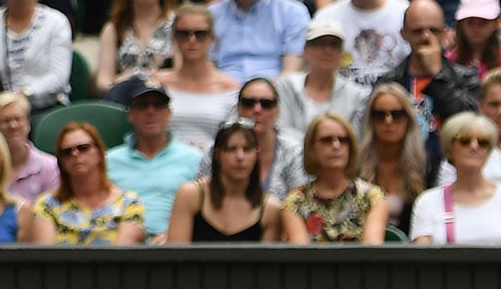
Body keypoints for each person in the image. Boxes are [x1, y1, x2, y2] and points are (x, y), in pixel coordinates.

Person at [24, 121, 146, 245]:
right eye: (66, 152)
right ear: (61, 162)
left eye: (83, 148)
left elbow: (123, 257)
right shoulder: (46, 206)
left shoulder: (129, 203)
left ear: (99, 152)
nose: (75, 154)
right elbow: (45, 258)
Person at [165, 120, 283, 243]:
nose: (240, 157)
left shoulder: (271, 208)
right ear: (217, 154)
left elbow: (268, 261)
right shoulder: (190, 195)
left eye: (247, 149)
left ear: (257, 154)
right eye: (231, 149)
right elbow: (176, 256)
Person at [105, 82, 201, 231]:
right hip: (120, 245)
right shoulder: (109, 160)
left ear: (169, 112)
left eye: (158, 104)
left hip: (175, 246)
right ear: (130, 114)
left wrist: (174, 236)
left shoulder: (194, 158)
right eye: (143, 105)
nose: (151, 111)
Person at [281, 111, 388, 243]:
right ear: (312, 148)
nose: (336, 146)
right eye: (327, 140)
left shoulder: (372, 197)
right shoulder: (296, 201)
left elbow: (371, 253)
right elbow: (302, 256)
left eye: (343, 140)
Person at [154, 3, 241, 152]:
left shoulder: (230, 88)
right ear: (174, 36)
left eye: (200, 34)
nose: (192, 40)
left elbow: (233, 139)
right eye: (184, 33)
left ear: (212, 38)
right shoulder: (157, 84)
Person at [95, 0, 178, 96]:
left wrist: (140, 76)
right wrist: (125, 83)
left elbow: (182, 74)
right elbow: (102, 82)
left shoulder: (178, 25)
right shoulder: (114, 28)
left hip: (168, 97)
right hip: (125, 99)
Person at [412, 111, 501, 244]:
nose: (474, 146)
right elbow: (422, 259)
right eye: (465, 141)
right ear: (450, 147)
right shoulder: (428, 202)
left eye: (482, 142)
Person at [355, 81, 429, 236]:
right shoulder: (354, 166)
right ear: (370, 120)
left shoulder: (427, 166)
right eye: (380, 115)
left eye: (397, 115)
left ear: (408, 119)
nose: (388, 121)